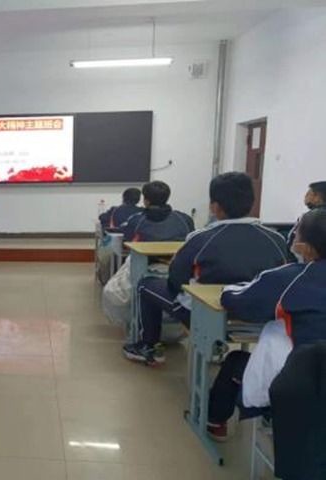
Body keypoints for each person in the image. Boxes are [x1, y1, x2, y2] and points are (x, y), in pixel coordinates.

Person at [123, 172, 290, 366]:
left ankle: (148, 346)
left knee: (146, 285)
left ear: (214, 206)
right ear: (251, 203)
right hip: (260, 313)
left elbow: (176, 279)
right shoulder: (276, 239)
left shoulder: (201, 238)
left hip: (205, 313)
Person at [206, 208, 326, 441]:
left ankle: (215, 420)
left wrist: (231, 288)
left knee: (235, 361)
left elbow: (238, 302)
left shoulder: (291, 278)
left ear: (307, 248)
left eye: (297, 234)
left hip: (303, 381)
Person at [120, 181, 194, 242]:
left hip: (145, 255)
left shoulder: (136, 221)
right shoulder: (185, 219)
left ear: (146, 201)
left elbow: (127, 242)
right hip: (177, 255)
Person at [287, 181, 326, 250]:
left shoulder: (309, 217)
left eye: (308, 194)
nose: (305, 197)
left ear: (317, 197)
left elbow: (295, 245)